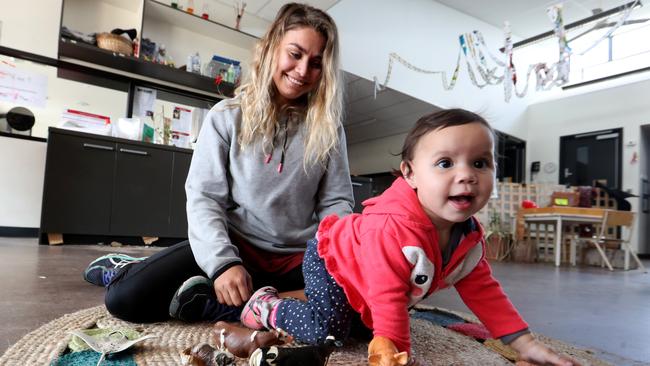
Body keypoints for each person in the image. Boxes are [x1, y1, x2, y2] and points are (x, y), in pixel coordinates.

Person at [238, 109, 578, 366]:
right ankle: (266, 305)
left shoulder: (468, 238)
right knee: (329, 333)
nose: (466, 176)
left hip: (364, 275)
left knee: (364, 330)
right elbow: (387, 296)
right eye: (445, 163)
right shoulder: (392, 228)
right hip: (330, 257)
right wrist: (394, 354)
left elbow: (485, 293)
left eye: (480, 163)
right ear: (410, 174)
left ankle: (305, 300)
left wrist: (525, 344)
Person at [82, 2, 354, 324]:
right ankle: (125, 268)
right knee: (125, 299)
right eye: (295, 54)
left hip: (297, 260)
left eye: (316, 63)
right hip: (237, 248)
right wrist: (223, 263)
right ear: (271, 49)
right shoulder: (226, 116)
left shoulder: (328, 128)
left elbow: (336, 204)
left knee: (368, 305)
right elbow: (204, 196)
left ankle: (235, 302)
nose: (303, 71)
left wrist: (342, 262)